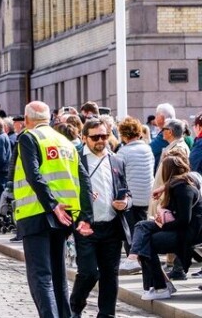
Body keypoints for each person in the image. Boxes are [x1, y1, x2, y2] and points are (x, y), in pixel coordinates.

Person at [13, 101, 81, 318]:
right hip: (65, 215)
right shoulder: (65, 141)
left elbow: (33, 174)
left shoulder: (29, 137)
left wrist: (51, 205)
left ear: (27, 119)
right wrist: (81, 215)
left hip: (37, 212)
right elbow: (82, 179)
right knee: (59, 275)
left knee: (41, 276)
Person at [69, 118, 131, 317]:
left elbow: (126, 191)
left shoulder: (116, 160)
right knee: (88, 272)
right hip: (87, 226)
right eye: (95, 137)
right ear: (84, 137)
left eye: (104, 136)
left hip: (112, 225)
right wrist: (83, 197)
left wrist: (125, 202)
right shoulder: (76, 159)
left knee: (110, 275)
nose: (101, 140)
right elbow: (66, 190)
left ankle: (107, 314)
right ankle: (75, 306)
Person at [131, 155, 202, 300]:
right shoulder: (178, 185)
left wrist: (163, 225)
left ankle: (160, 286)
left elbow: (184, 220)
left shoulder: (184, 189)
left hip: (188, 232)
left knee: (147, 242)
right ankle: (134, 258)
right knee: (141, 226)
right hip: (179, 227)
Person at [116, 116, 154, 273]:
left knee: (130, 232)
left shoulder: (123, 152)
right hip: (147, 197)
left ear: (124, 135)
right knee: (143, 230)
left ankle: (133, 260)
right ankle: (143, 260)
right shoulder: (147, 149)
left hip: (131, 198)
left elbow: (117, 176)